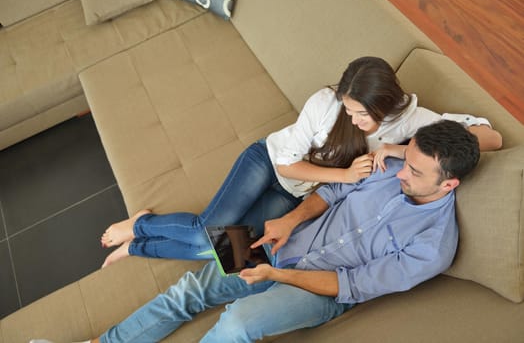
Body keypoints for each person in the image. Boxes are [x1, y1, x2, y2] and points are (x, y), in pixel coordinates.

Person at [59, 119, 479, 343]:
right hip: (283, 240)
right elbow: (332, 193)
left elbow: (351, 284)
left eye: (415, 170)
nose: (399, 170)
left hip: (317, 290)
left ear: (449, 184)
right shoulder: (390, 166)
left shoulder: (433, 246)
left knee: (238, 323)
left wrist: (275, 274)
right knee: (189, 290)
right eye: (406, 159)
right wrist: (290, 220)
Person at [99, 56, 502, 267]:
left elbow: (491, 136)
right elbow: (289, 164)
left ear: (386, 105)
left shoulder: (413, 119)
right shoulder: (325, 103)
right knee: (208, 232)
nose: (352, 120)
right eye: (348, 109)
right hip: (270, 164)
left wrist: (400, 148)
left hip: (297, 196)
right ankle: (140, 224)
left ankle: (137, 248)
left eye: (361, 114)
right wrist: (344, 173)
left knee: (234, 254)